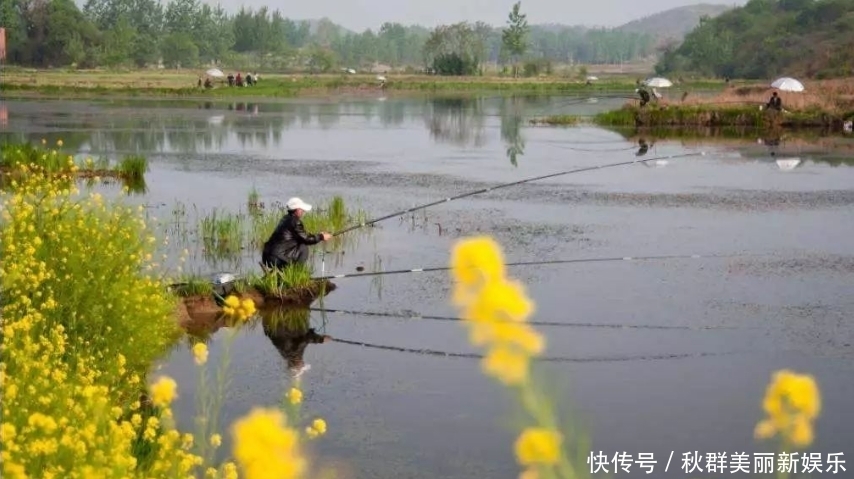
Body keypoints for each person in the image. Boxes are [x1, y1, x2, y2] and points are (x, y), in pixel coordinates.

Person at [262, 197, 331, 271]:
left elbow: (302, 236)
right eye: (301, 209)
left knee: (301, 244)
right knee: (303, 248)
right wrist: (321, 237)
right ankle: (296, 273)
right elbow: (306, 240)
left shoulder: (285, 219)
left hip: (267, 257)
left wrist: (319, 235)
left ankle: (287, 274)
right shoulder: (295, 222)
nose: (303, 211)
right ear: (297, 210)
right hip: (277, 259)